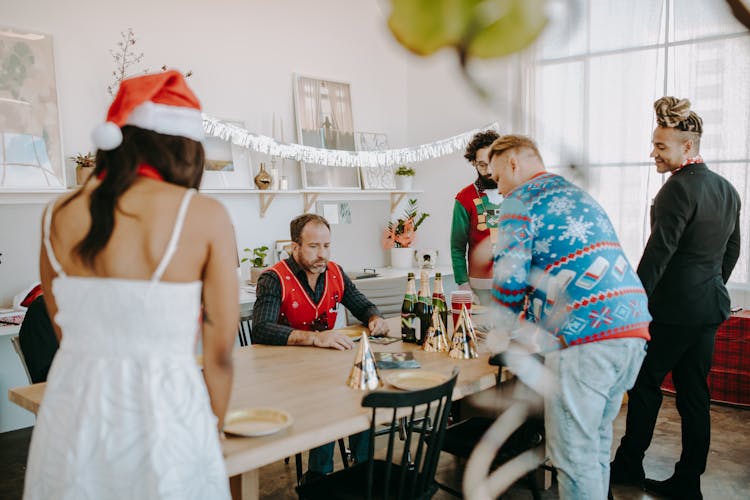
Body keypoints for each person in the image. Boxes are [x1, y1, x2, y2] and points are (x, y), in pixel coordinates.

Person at [24, 71, 237, 499]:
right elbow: (219, 353)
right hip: (166, 412)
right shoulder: (204, 214)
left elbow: (62, 329)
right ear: (184, 147)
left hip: (73, 411)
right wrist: (211, 427)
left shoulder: (55, 213)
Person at [488, 134, 651, 500]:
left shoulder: (520, 200)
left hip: (585, 335)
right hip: (631, 325)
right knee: (594, 445)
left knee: (572, 457)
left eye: (497, 178)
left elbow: (509, 278)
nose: (498, 190)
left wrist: (500, 329)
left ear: (513, 164)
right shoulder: (575, 194)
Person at [611, 97, 741, 500]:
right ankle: (688, 481)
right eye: (654, 144)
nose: (653, 152)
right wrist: (709, 287)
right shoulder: (727, 189)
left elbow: (656, 258)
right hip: (708, 309)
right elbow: (732, 250)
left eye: (661, 146)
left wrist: (629, 307)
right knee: (694, 393)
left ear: (688, 147)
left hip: (671, 313)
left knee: (645, 383)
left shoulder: (675, 191)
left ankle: (628, 466)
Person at [252, 213, 388, 480]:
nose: (322, 254)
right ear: (295, 247)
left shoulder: (335, 272)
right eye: (314, 247)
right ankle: (318, 475)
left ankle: (363, 470)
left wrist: (375, 318)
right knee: (330, 397)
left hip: (324, 369)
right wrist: (315, 337)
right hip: (283, 377)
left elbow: (362, 304)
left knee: (362, 388)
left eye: (326, 246)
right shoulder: (273, 278)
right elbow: (261, 329)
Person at [451, 129, 502, 306]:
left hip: (514, 285)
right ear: (473, 163)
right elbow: (457, 246)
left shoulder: (515, 192)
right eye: (482, 165)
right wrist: (463, 284)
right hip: (480, 289)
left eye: (492, 163)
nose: (488, 170)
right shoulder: (464, 198)